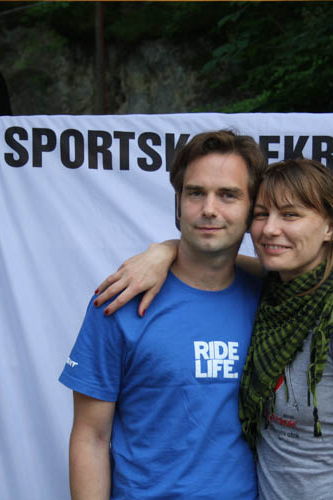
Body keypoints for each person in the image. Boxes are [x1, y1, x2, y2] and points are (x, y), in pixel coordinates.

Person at [96, 158, 333, 500]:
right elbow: (210, 258)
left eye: (290, 215)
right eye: (261, 214)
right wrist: (163, 251)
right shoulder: (276, 294)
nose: (270, 229)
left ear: (330, 227)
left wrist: (165, 251)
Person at [59, 130, 266, 499]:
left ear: (252, 210)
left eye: (228, 195)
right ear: (178, 204)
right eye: (195, 193)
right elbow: (91, 437)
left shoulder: (271, 298)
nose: (209, 209)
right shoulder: (121, 300)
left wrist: (164, 249)